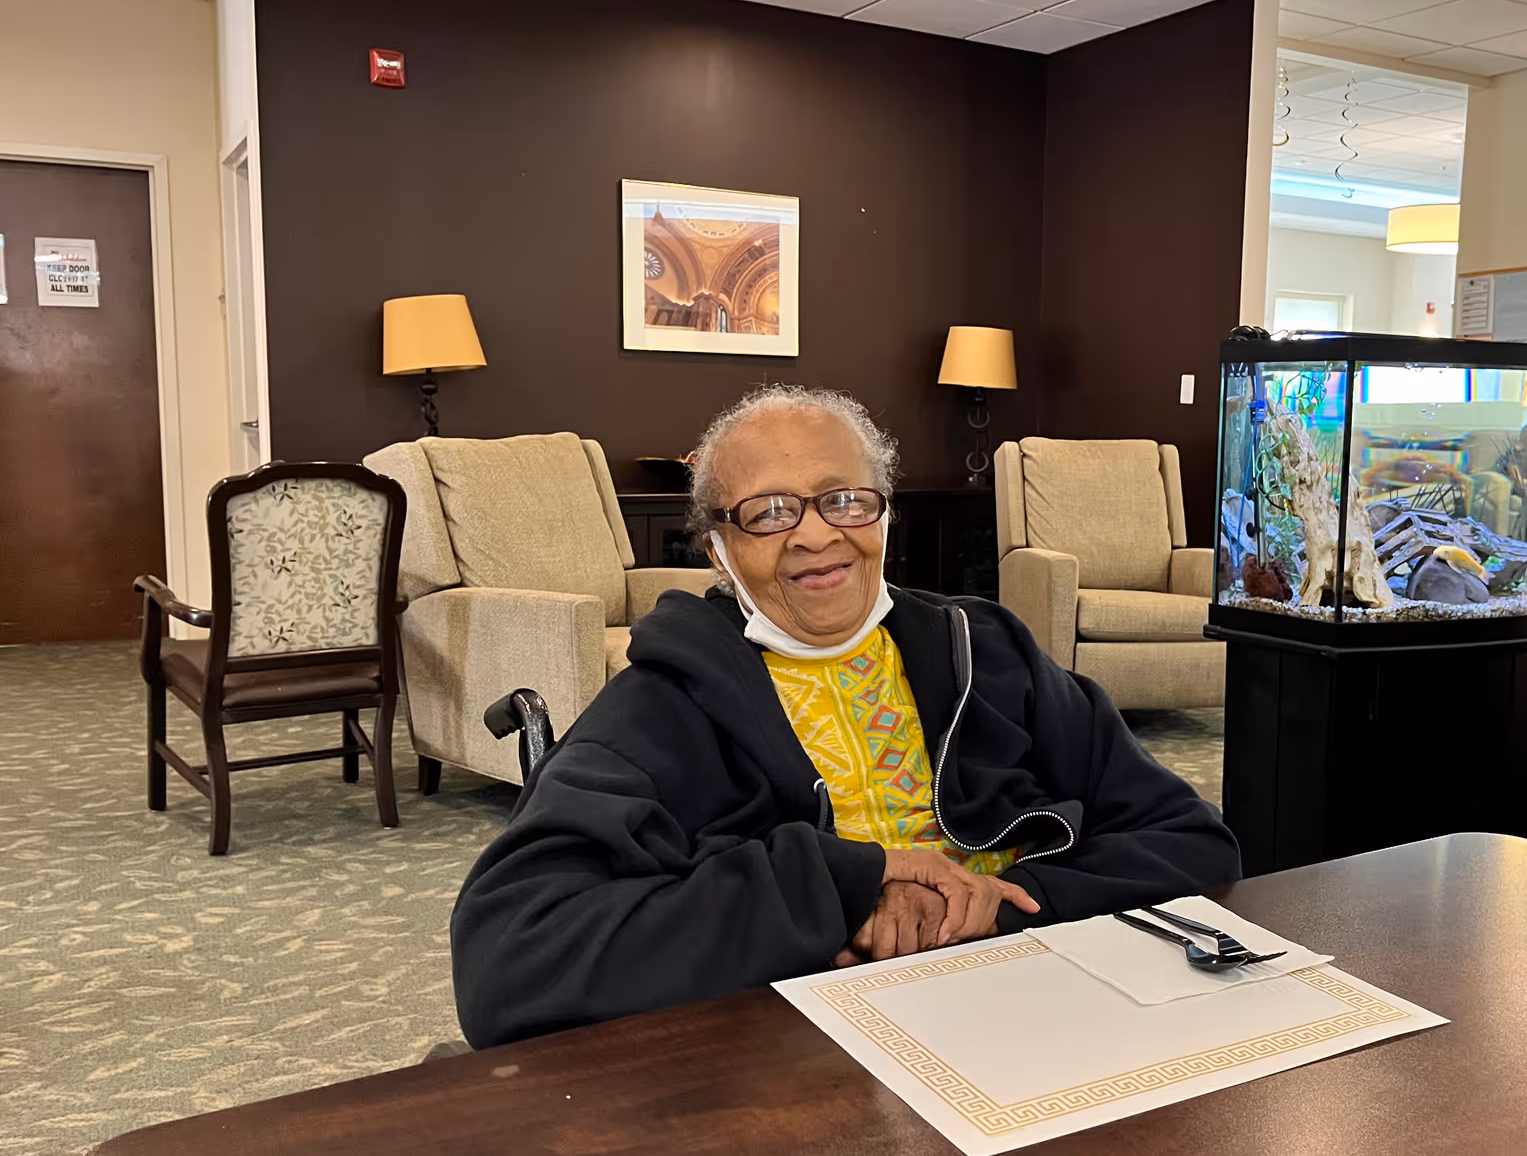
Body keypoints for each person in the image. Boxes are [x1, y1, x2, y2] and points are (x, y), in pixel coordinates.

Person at [449, 386, 1242, 1048]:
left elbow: (1192, 841)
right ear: (717, 550)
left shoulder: (990, 653)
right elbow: (509, 960)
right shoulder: (660, 705)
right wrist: (843, 888)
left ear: (884, 515)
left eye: (846, 501)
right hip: (796, 1058)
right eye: (768, 513)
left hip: (1038, 1017)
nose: (818, 535)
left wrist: (1002, 903)